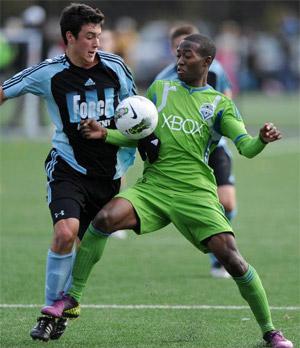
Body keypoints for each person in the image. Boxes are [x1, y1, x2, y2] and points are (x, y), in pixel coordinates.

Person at [43, 34, 293, 348]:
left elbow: (245, 147)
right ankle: (72, 298)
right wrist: (105, 133)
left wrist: (262, 139)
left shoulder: (219, 104)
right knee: (104, 219)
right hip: (154, 188)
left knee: (233, 260)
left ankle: (271, 331)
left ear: (206, 62)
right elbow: (137, 135)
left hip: (196, 193)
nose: (180, 60)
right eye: (177, 54)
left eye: (187, 55)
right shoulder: (161, 90)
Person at [0, 3, 159, 342]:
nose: (96, 44)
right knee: (64, 234)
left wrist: (149, 146)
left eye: (99, 36)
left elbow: (136, 114)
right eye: (89, 37)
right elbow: (5, 90)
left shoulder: (115, 67)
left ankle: (64, 308)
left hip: (111, 174)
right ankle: (48, 312)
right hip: (68, 168)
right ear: (69, 38)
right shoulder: (48, 72)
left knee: (84, 247)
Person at [155, 23, 235, 278]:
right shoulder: (164, 80)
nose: (183, 55)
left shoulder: (216, 70)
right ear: (173, 48)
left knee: (227, 201)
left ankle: (220, 255)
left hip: (214, 146)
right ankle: (217, 253)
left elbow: (227, 96)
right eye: (179, 49)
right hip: (183, 150)